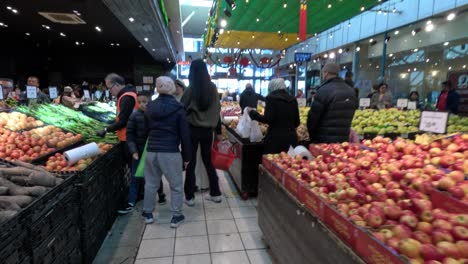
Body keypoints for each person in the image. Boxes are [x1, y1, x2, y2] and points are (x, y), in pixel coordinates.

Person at [142, 77, 191, 226]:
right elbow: (184, 134)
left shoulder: (149, 106)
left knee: (150, 184)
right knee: (176, 185)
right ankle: (176, 216)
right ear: (172, 88)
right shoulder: (178, 108)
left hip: (151, 151)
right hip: (170, 152)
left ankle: (148, 214)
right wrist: (187, 156)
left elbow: (146, 129)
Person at [117, 91, 167, 215]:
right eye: (139, 102)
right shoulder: (134, 116)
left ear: (151, 101)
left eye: (145, 102)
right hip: (138, 152)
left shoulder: (155, 115)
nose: (142, 104)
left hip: (153, 150)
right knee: (135, 176)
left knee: (155, 174)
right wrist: (133, 150)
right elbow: (130, 135)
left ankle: (160, 193)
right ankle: (131, 201)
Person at [181, 59, 223, 205]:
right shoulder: (212, 88)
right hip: (207, 132)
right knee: (208, 161)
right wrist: (218, 131)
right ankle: (216, 193)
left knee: (190, 163)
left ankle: (189, 197)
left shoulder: (191, 88)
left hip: (192, 130)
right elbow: (218, 111)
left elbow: (181, 107)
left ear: (192, 71)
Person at [307, 62, 357, 143]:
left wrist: (312, 135)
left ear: (326, 73)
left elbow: (313, 118)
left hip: (324, 139)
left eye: (323, 72)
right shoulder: (351, 90)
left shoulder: (323, 90)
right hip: (343, 138)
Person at [96, 73, 138, 167]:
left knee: (135, 170)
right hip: (133, 137)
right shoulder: (129, 94)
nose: (109, 91)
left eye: (109, 88)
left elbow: (123, 121)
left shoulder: (126, 98)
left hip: (131, 139)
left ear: (117, 85)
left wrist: (106, 130)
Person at [248, 78, 300, 154]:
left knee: (274, 163)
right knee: (289, 163)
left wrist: (252, 113)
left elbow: (267, 119)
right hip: (291, 138)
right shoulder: (293, 100)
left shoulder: (271, 99)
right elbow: (297, 122)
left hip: (275, 140)